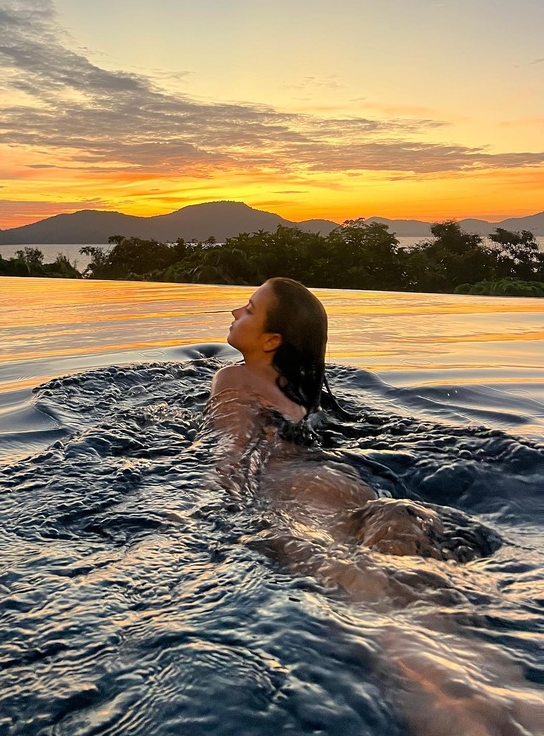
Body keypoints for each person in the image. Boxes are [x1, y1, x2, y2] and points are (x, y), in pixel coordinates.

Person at [201, 277, 543, 736]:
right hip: (357, 489)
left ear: (271, 340)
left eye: (246, 309)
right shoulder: (311, 392)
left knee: (378, 614)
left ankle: (465, 722)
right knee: (426, 597)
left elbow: (233, 448)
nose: (234, 314)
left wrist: (212, 502)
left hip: (297, 494)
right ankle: (520, 700)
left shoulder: (233, 377)